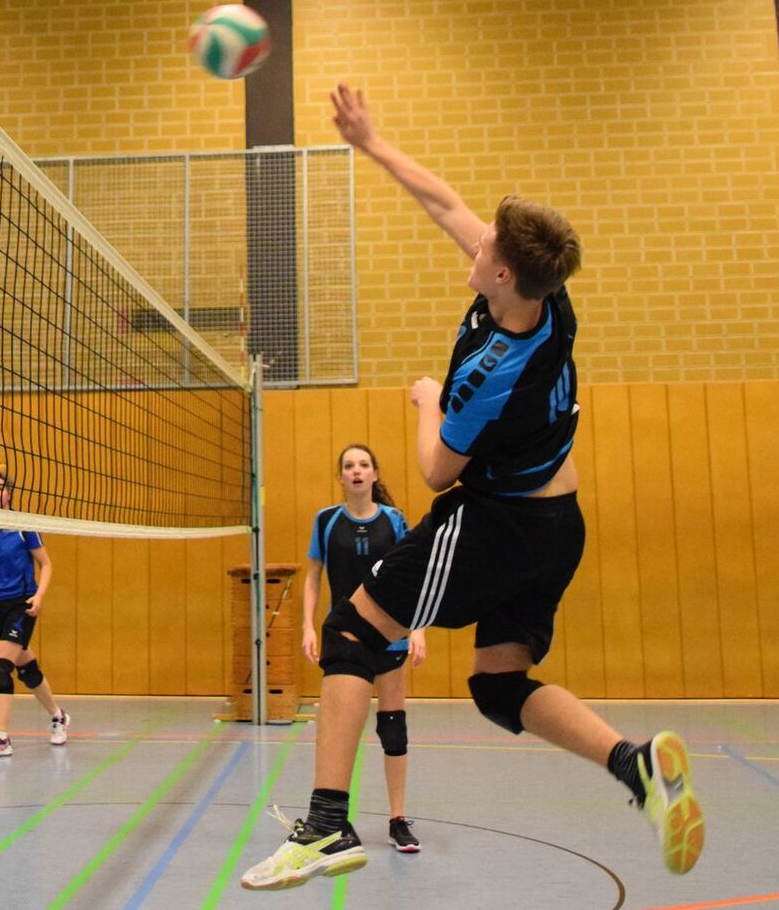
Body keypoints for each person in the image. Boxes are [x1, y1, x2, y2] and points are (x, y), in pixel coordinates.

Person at [241, 86, 704, 890]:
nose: (475, 236)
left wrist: (426, 400)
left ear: (499, 270)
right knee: (497, 684)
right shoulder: (543, 301)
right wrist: (371, 143)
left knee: (354, 630)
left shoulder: (495, 372)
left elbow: (434, 471)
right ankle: (634, 767)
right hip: (559, 524)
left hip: (496, 521)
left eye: (487, 241)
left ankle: (325, 824)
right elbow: (445, 201)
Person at [302, 444, 424, 853]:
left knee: (393, 726)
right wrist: (307, 626)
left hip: (390, 634)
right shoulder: (325, 521)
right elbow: (313, 578)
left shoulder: (394, 521)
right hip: (345, 639)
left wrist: (418, 629)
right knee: (341, 729)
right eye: (349, 466)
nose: (356, 471)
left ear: (374, 475)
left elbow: (413, 577)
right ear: (340, 477)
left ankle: (397, 819)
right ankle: (334, 819)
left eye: (364, 465)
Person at [0, 470, 70, 758]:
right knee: (27, 670)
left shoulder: (23, 525)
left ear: (10, 493)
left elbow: (45, 564)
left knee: (0, 667)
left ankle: (1, 737)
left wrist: (39, 595)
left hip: (23, 604)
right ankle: (59, 716)